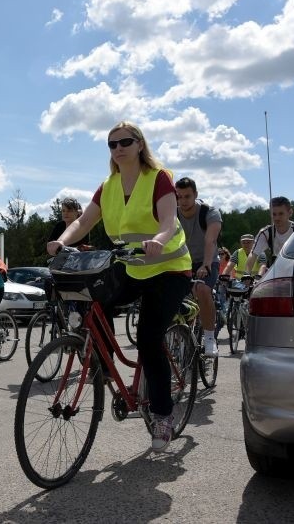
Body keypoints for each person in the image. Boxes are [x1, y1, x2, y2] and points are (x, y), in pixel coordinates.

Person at [46, 121, 192, 452]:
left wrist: (158, 239)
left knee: (148, 337)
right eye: (112, 144)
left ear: (140, 144)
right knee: (96, 303)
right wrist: (61, 241)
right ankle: (106, 368)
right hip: (134, 267)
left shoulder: (158, 178)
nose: (118, 148)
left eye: (125, 141)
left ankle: (163, 414)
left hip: (169, 268)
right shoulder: (108, 186)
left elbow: (169, 220)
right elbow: (84, 221)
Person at [174, 177, 222, 357]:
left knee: (202, 289)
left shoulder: (209, 212)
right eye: (178, 197)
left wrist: (206, 264)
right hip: (182, 261)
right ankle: (178, 335)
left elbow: (210, 240)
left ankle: (210, 338)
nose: (183, 201)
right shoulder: (171, 214)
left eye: (187, 196)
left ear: (195, 195)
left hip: (206, 259)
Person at [245, 196, 294, 276]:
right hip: (277, 271)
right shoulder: (266, 233)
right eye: (274, 214)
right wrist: (246, 275)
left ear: (290, 212)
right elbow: (253, 254)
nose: (277, 218)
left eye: (281, 214)